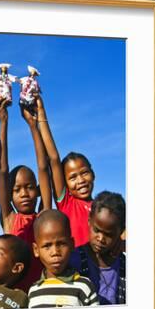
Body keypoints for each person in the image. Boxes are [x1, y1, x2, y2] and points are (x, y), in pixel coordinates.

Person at [0, 94, 52, 293]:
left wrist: (33, 126)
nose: (24, 193)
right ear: (9, 195)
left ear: (37, 190)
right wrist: (3, 122)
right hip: (13, 298)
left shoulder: (44, 217)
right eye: (16, 190)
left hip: (39, 297)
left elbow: (44, 167)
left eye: (29, 187)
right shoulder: (9, 219)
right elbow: (2, 170)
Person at [36, 95, 95, 247]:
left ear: (93, 174)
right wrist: (41, 114)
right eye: (73, 177)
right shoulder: (67, 203)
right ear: (65, 183)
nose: (80, 181)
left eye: (84, 173)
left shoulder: (103, 207)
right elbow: (53, 159)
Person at [28, 209, 99, 308]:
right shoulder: (34, 290)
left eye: (61, 244)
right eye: (47, 246)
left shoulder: (84, 286)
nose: (55, 252)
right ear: (36, 250)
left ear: (72, 244)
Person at [69, 191, 126, 305]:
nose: (100, 239)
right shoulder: (73, 259)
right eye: (97, 230)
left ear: (121, 232)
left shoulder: (124, 263)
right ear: (89, 221)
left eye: (109, 235)